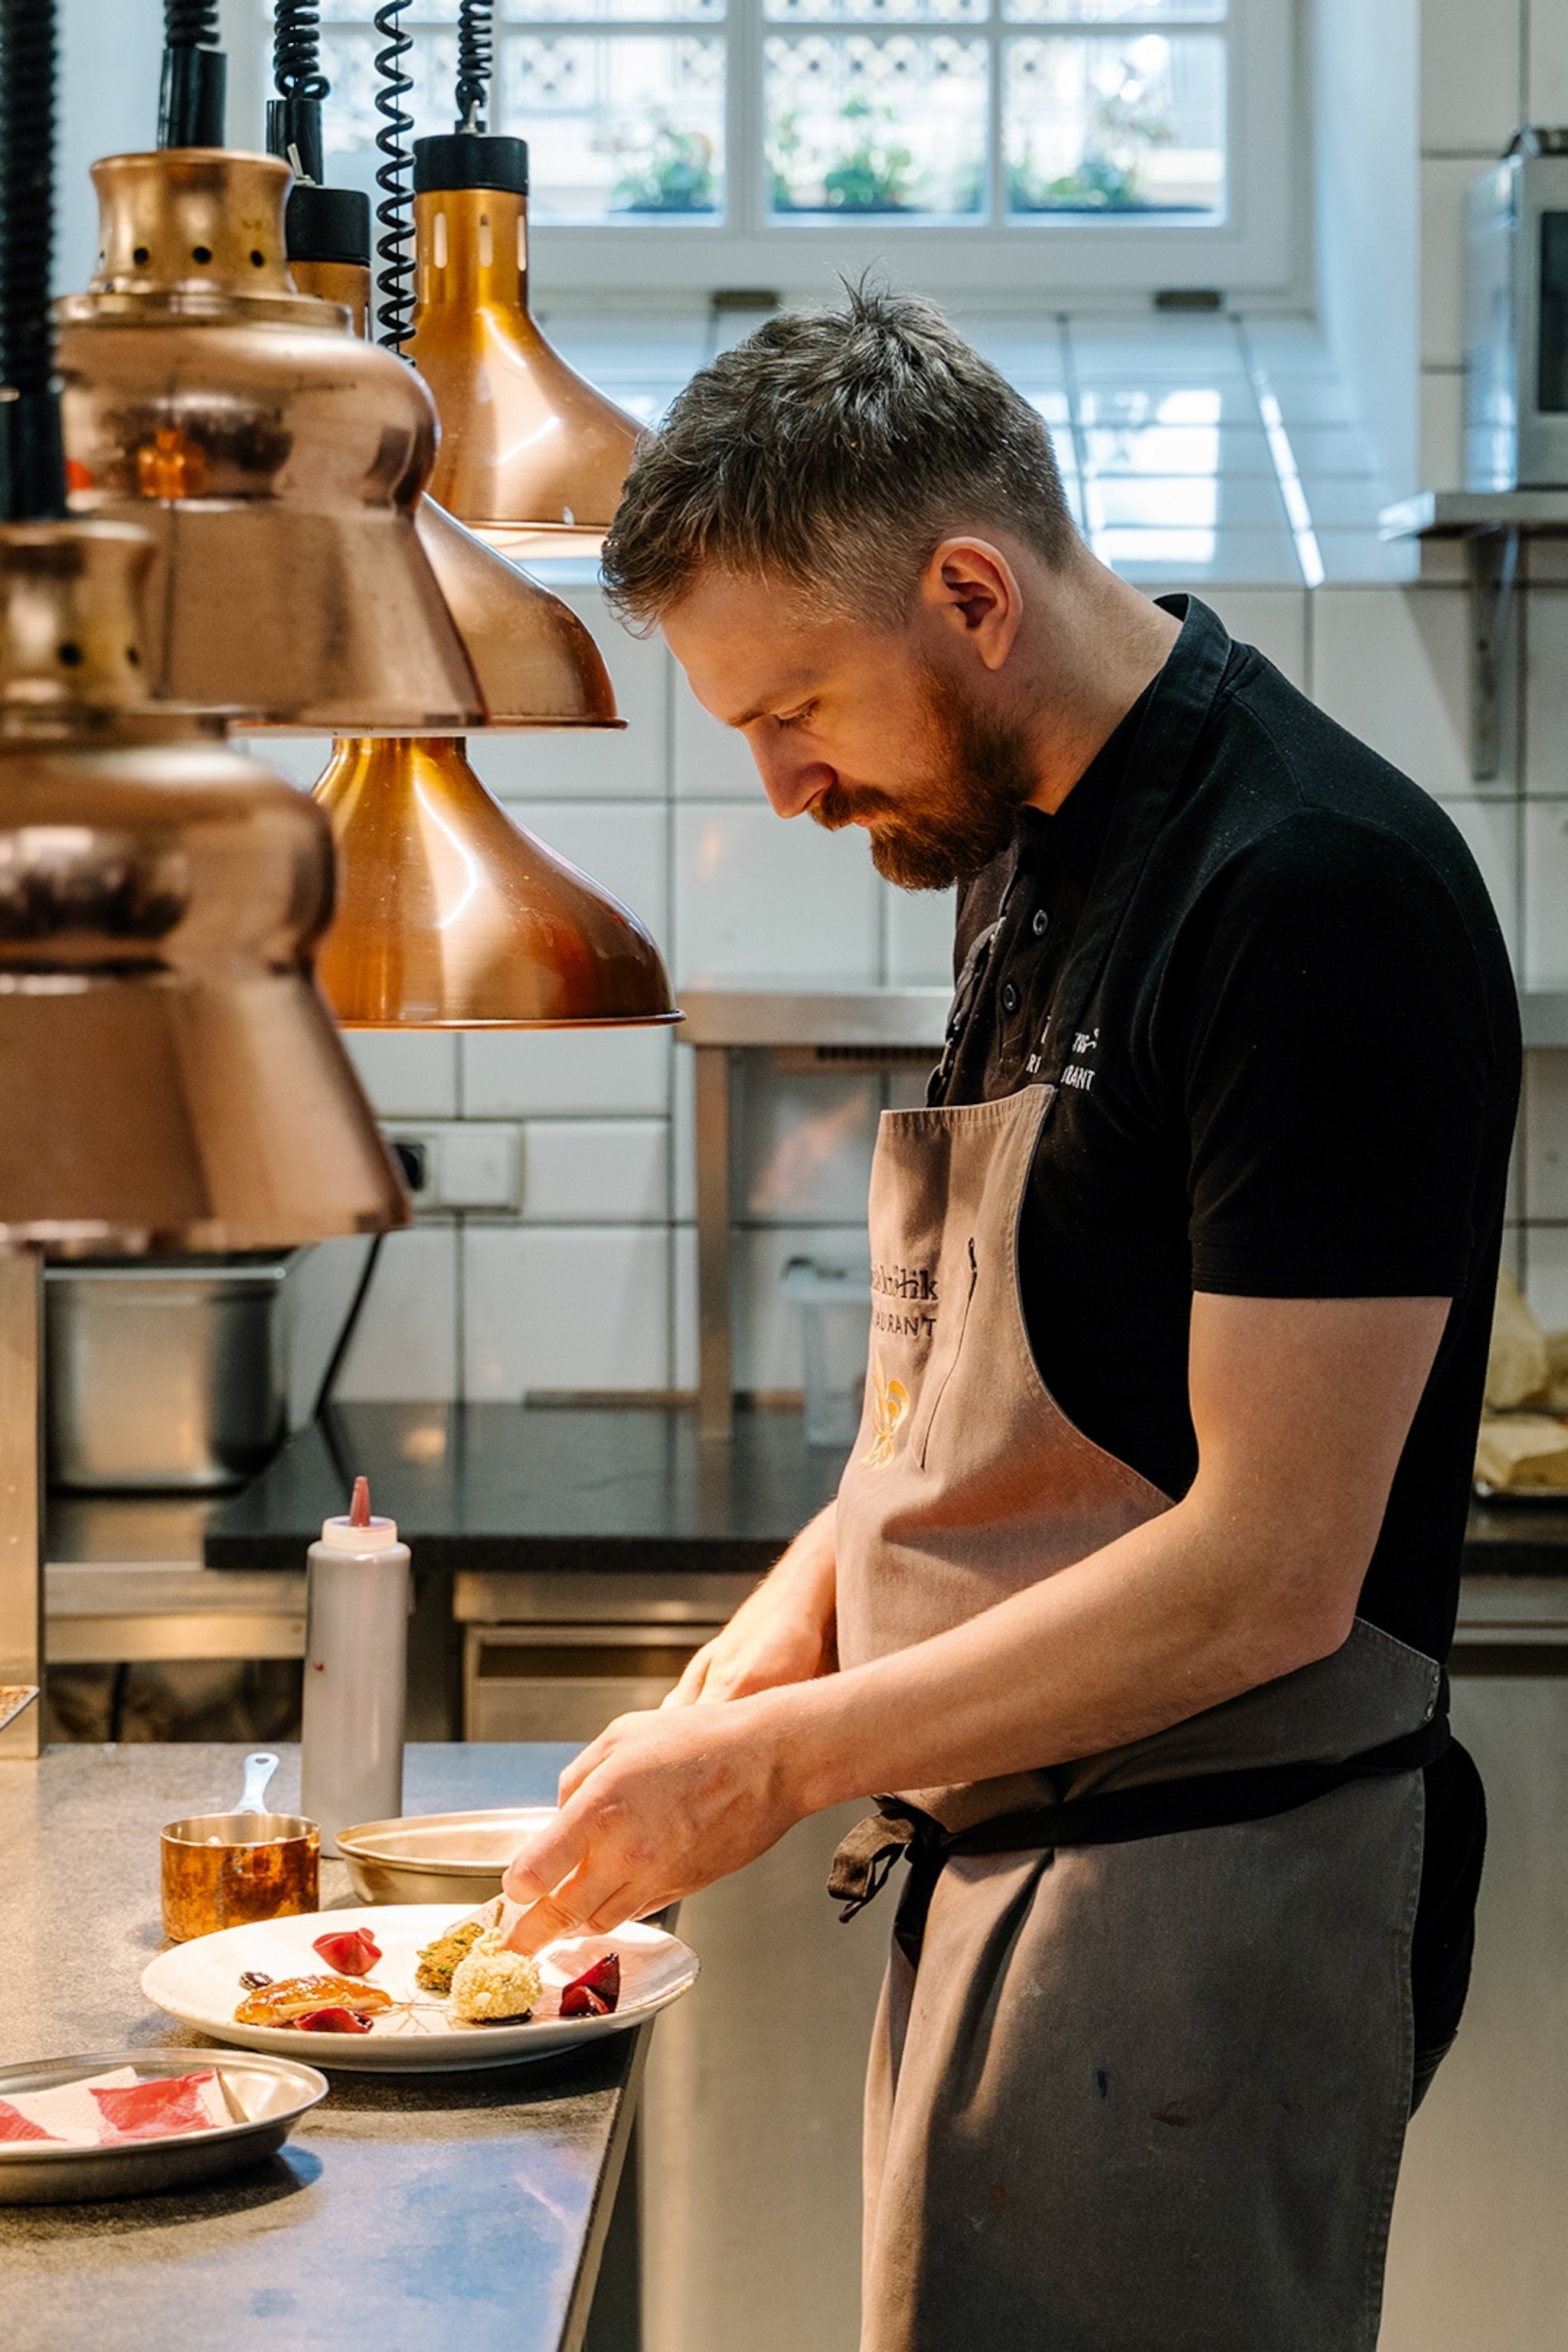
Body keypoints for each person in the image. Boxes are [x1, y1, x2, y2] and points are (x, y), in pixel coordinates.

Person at [499, 286, 1517, 2350]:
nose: (783, 788)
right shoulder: (1029, 858)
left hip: (1209, 1917)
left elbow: (1271, 1571)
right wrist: (770, 1643)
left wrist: (778, 1764)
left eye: (795, 713)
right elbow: (951, 1396)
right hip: (1019, 1874)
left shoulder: (1311, 894)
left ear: (970, 590)